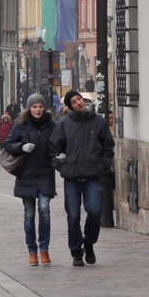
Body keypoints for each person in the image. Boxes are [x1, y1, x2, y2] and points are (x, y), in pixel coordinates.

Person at [50, 89, 114, 267]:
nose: (78, 103)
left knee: (94, 211)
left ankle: (89, 242)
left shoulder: (98, 122)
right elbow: (54, 148)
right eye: (74, 101)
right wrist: (60, 164)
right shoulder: (63, 124)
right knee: (73, 215)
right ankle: (76, 251)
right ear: (70, 106)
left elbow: (108, 145)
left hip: (92, 175)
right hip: (71, 176)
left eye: (79, 99)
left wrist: (103, 165)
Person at [5, 93, 57, 266]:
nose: (38, 110)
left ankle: (44, 248)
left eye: (40, 106)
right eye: (34, 107)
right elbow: (8, 145)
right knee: (29, 214)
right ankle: (31, 251)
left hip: (45, 174)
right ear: (29, 108)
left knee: (44, 210)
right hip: (26, 175)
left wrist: (60, 157)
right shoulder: (21, 126)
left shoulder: (51, 125)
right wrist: (22, 147)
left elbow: (57, 145)